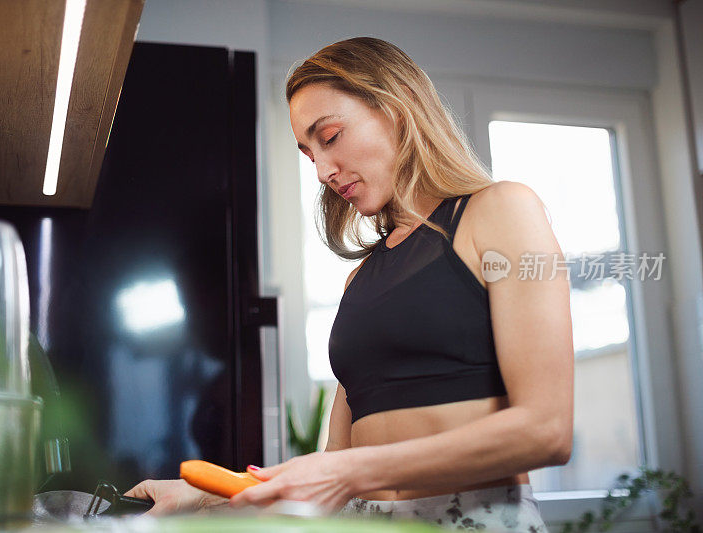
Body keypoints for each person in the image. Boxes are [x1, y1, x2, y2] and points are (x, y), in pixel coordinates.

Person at [127, 36, 573, 531]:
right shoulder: (359, 280)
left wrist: (343, 471)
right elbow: (328, 477)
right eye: (308, 152)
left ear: (397, 105)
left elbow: (546, 430)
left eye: (331, 136)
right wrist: (204, 498)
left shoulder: (502, 210)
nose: (322, 170)